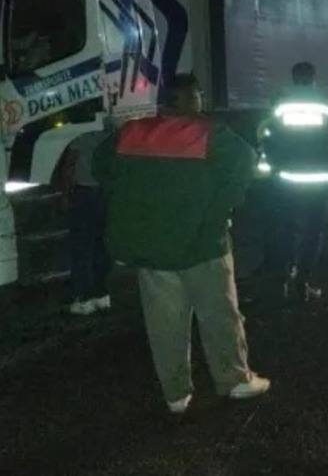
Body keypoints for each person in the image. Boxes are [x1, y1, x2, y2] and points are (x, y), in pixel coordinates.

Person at [93, 73, 270, 414]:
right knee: (219, 314)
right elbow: (246, 167)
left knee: (163, 322)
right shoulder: (211, 134)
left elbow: (102, 166)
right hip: (202, 244)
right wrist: (222, 204)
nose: (201, 99)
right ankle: (234, 381)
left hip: (149, 247)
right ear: (189, 99)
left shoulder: (131, 132)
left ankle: (176, 395)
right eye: (198, 94)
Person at [258, 62, 328, 303]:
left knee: (287, 227)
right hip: (320, 178)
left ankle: (286, 274)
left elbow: (269, 137)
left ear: (294, 78)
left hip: (288, 177)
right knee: (313, 231)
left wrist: (275, 165)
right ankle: (304, 282)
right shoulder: (326, 103)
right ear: (313, 77)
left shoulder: (282, 105)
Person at [59, 125, 112, 315]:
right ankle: (101, 294)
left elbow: (70, 165)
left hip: (84, 193)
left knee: (81, 247)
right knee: (101, 245)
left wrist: (65, 194)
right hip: (106, 194)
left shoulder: (81, 135)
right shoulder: (111, 134)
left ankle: (83, 298)